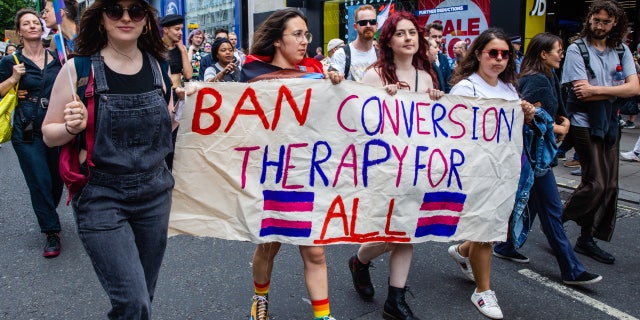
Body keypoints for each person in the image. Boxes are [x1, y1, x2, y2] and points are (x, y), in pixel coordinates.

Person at [41, 0, 174, 317]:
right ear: (101, 19)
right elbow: (49, 133)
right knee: (133, 301)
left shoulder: (158, 65)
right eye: (115, 10)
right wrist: (71, 128)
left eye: (135, 11)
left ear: (146, 21)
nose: (125, 17)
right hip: (102, 196)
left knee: (144, 294)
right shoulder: (79, 68)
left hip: (156, 193)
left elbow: (167, 121)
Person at [240, 8, 342, 320]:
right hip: (271, 174)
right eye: (297, 35)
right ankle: (260, 298)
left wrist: (336, 86)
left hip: (308, 173)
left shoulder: (315, 71)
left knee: (315, 249)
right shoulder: (252, 73)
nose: (304, 41)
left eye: (306, 35)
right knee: (268, 247)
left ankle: (322, 316)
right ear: (276, 40)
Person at [348, 11, 443, 320]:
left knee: (408, 232)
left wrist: (438, 101)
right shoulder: (375, 75)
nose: (408, 38)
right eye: (401, 33)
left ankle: (395, 300)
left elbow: (430, 124)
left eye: (412, 33)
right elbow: (358, 122)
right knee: (388, 235)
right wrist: (382, 99)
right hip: (383, 167)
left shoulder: (426, 77)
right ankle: (360, 261)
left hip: (415, 166)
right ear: (388, 39)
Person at [492, 32, 603, 286]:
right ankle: (571, 269)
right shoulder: (536, 80)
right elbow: (524, 117)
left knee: (529, 204)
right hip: (534, 156)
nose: (561, 54)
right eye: (558, 50)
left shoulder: (549, 76)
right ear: (543, 54)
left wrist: (562, 122)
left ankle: (507, 246)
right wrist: (559, 128)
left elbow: (552, 111)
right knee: (552, 211)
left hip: (538, 153)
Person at [446, 28, 535, 320]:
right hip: (476, 171)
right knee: (486, 228)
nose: (499, 59)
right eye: (492, 53)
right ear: (479, 54)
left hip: (505, 169)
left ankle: (461, 251)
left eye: (505, 54)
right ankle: (483, 292)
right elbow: (452, 130)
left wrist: (526, 113)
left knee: (494, 223)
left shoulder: (508, 88)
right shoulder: (466, 89)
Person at [561, 0, 640, 264]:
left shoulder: (621, 50)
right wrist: (611, 92)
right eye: (596, 20)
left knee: (611, 186)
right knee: (595, 183)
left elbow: (634, 89)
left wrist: (597, 91)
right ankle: (556, 218)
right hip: (583, 123)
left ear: (615, 23)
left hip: (609, 124)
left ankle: (586, 238)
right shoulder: (576, 49)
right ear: (589, 19)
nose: (599, 26)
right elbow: (580, 91)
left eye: (605, 22)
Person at [0, 9, 63, 258]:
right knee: (39, 179)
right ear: (20, 31)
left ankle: (49, 210)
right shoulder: (10, 62)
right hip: (27, 126)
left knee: (57, 179)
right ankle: (51, 232)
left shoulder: (57, 57)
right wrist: (14, 79)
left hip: (55, 123)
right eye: (26, 24)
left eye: (36, 22)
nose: (33, 26)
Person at [330, 4, 378, 82]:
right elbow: (332, 79)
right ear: (355, 26)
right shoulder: (342, 54)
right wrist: (334, 75)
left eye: (372, 22)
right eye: (363, 22)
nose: (368, 25)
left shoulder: (382, 55)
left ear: (376, 25)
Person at [160, 13, 192, 88]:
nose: (180, 33)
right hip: (162, 93)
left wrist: (183, 50)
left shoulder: (181, 49)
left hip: (178, 92)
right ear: (165, 30)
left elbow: (188, 75)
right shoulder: (156, 48)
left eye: (181, 29)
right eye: (177, 29)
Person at [425, 22, 452, 92]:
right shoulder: (418, 61)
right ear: (427, 36)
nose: (438, 40)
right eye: (434, 36)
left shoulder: (444, 59)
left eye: (440, 37)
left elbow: (448, 83)